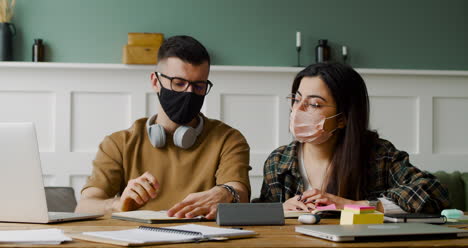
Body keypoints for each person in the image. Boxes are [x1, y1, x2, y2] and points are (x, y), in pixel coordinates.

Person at [75, 35, 251, 219]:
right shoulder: (118, 143)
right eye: (179, 83)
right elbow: (84, 207)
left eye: (199, 86)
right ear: (155, 81)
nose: (189, 93)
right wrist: (116, 204)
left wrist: (226, 193)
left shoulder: (228, 139)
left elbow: (240, 193)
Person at [260, 62, 449, 213]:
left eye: (315, 104)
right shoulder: (278, 162)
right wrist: (278, 210)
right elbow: (259, 217)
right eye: (296, 99)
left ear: (343, 118)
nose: (297, 109)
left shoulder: (379, 155)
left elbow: (434, 191)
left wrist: (357, 206)